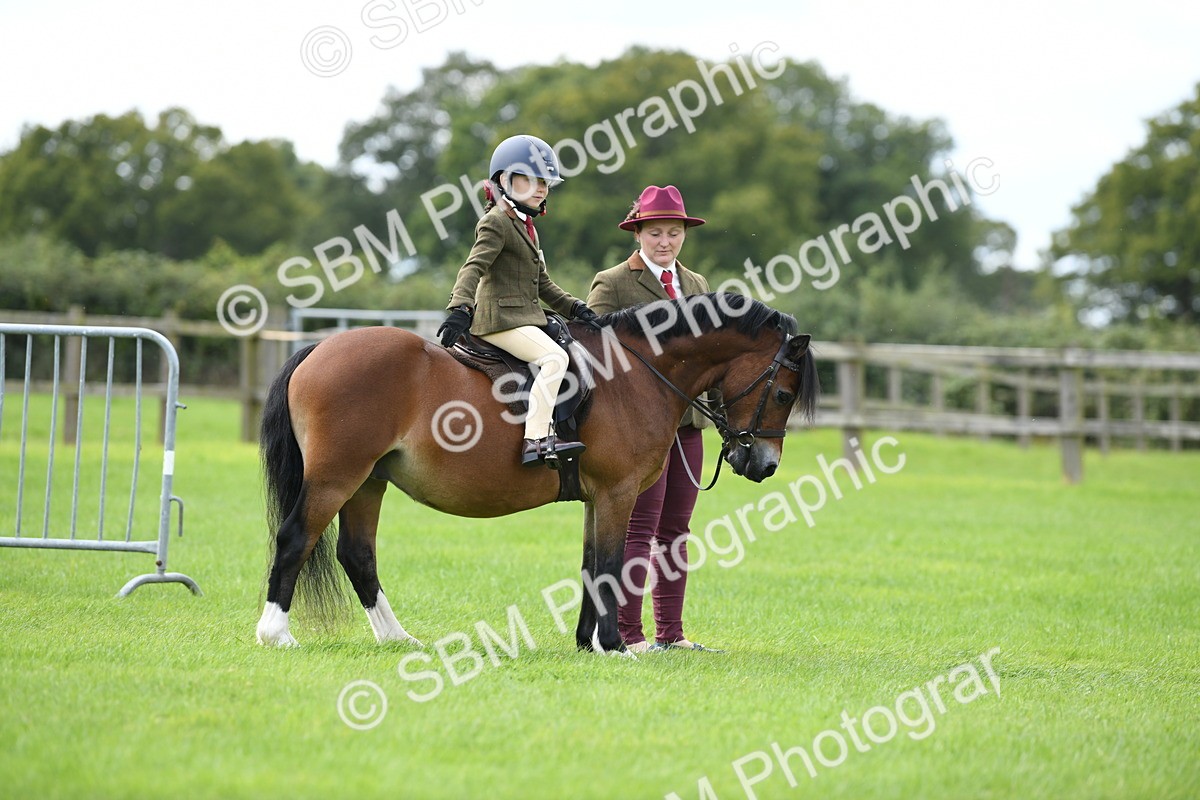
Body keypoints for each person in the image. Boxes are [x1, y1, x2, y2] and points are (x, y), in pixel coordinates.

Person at [586, 185, 720, 653]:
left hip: (689, 425)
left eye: (674, 232)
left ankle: (672, 634)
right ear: (638, 232)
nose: (665, 241)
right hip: (636, 430)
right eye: (656, 232)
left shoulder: (699, 284)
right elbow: (596, 354)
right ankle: (628, 633)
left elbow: (711, 358)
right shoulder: (613, 282)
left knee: (676, 532)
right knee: (639, 528)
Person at [438, 134, 599, 469]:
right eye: (531, 179)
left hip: (527, 317)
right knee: (555, 359)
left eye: (545, 181)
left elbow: (543, 284)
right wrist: (459, 308)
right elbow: (474, 267)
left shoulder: (528, 227)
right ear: (505, 181)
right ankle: (537, 439)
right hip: (499, 320)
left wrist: (577, 308)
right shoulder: (496, 221)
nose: (541, 188)